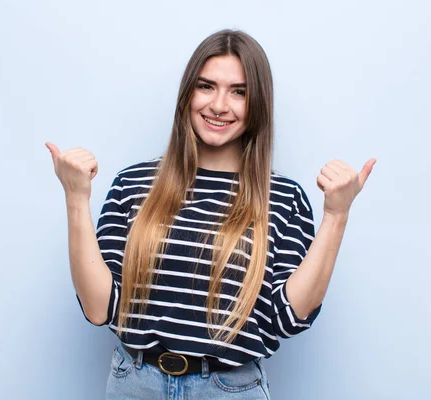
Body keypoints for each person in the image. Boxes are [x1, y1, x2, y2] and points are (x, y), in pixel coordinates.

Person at [46, 29, 375, 400]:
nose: (220, 105)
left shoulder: (284, 198)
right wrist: (76, 198)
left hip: (229, 389)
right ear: (188, 94)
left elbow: (288, 317)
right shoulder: (133, 184)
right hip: (134, 385)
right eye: (207, 86)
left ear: (258, 105)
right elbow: (99, 308)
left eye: (240, 92)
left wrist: (336, 215)